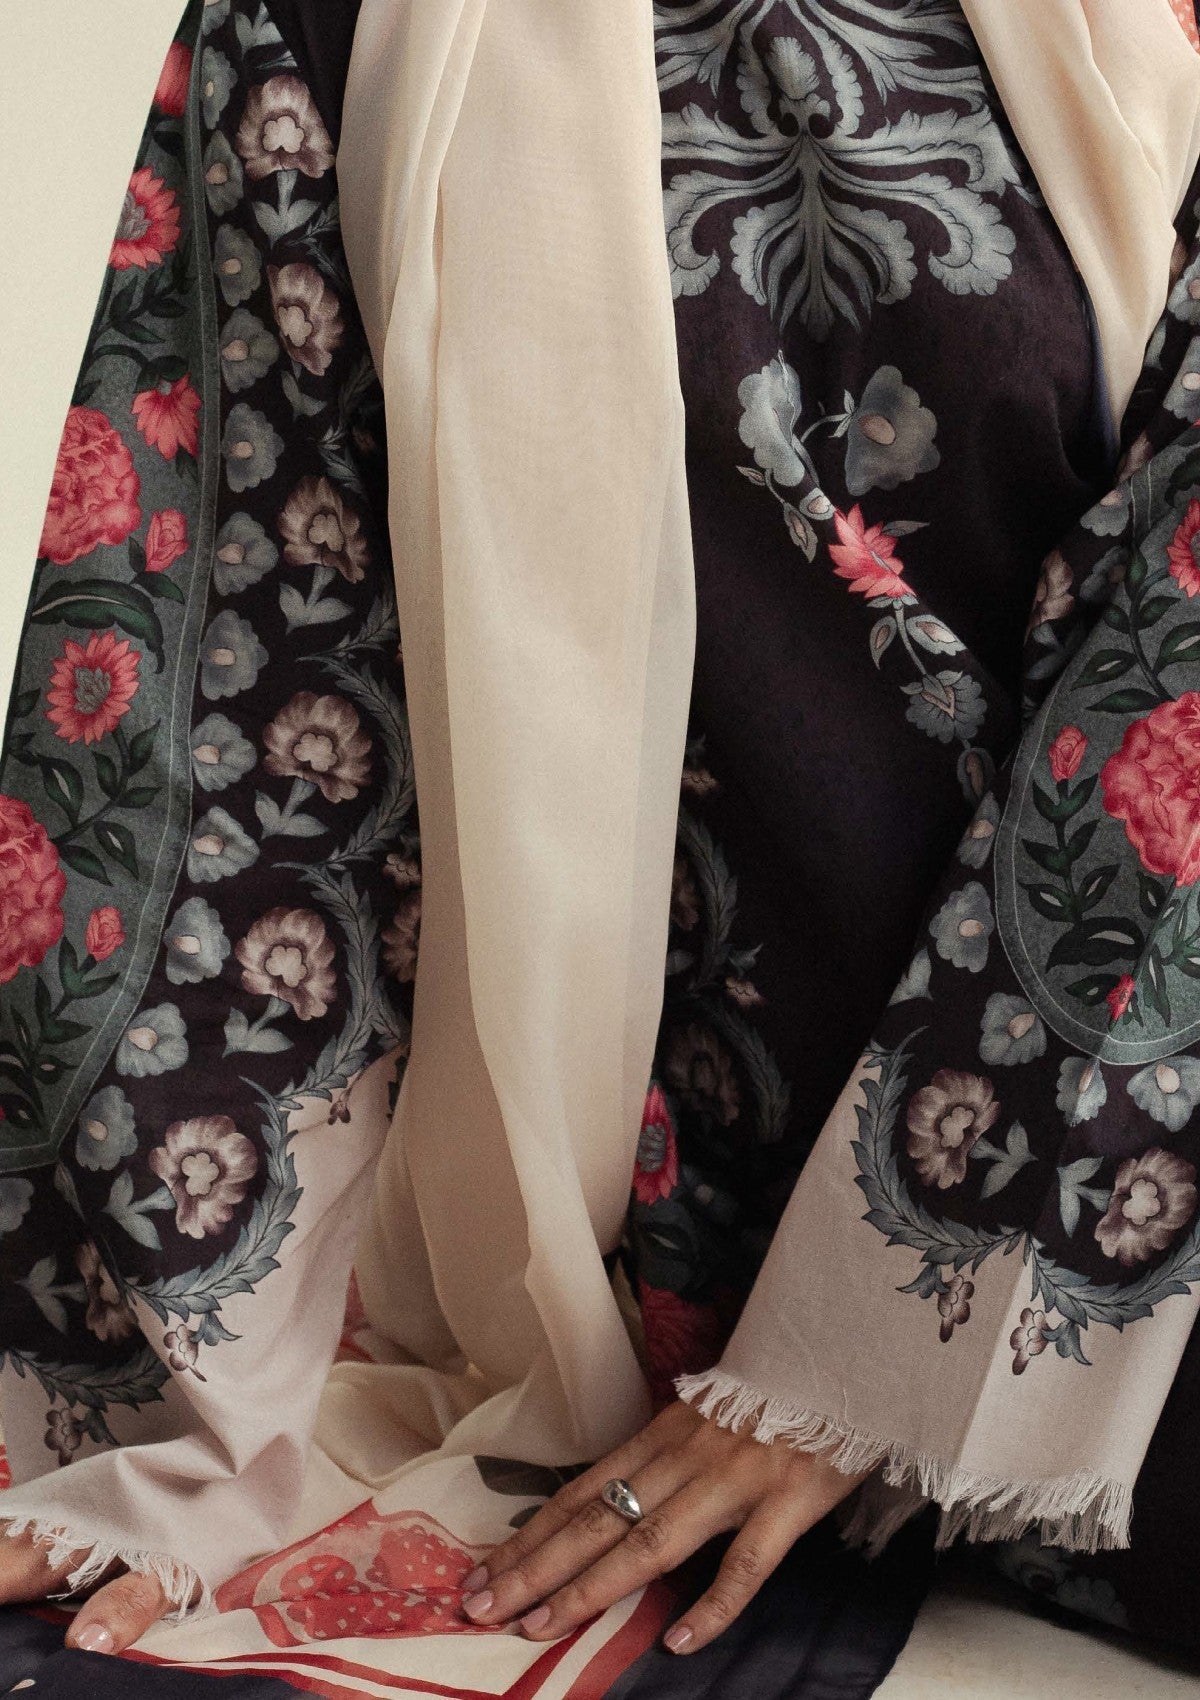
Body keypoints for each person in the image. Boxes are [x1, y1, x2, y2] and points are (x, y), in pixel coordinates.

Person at [2, 2, 1200, 1694]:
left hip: (1116, 1256)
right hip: (612, 1305)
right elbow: (226, 697)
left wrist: (877, 1341)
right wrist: (191, 1404)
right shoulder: (328, 27)